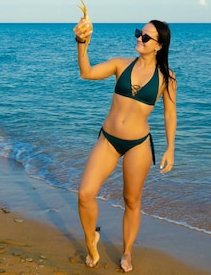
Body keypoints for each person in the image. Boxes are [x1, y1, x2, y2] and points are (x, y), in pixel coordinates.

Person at [73, 18, 177, 272]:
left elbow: (169, 114)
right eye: (139, 33)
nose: (139, 39)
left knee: (131, 201)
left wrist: (170, 148)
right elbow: (86, 73)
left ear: (159, 46)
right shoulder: (121, 64)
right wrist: (81, 42)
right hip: (108, 139)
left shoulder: (167, 77)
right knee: (85, 194)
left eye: (146, 37)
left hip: (138, 145)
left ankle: (127, 252)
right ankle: (91, 240)